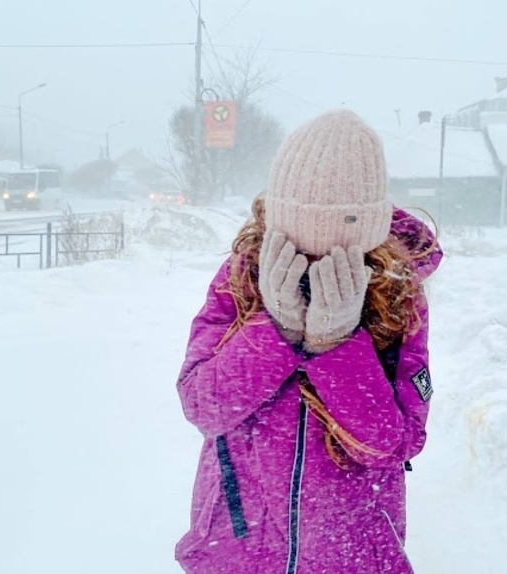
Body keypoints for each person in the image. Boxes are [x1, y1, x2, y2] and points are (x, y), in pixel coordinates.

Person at [174, 110, 443, 573]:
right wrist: (274, 330)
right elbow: (204, 405)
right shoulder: (241, 279)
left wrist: (337, 344)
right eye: (299, 246)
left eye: (337, 252)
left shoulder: (397, 296)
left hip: (350, 555)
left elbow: (393, 443)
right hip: (239, 548)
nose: (314, 265)